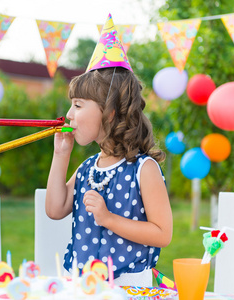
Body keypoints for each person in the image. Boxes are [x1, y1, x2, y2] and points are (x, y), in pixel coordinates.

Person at [45, 14, 172, 288]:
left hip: (128, 286)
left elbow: (162, 233)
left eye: (78, 105)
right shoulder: (89, 168)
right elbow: (55, 209)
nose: (69, 114)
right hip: (80, 284)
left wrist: (108, 219)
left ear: (110, 113)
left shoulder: (143, 169)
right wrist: (61, 155)